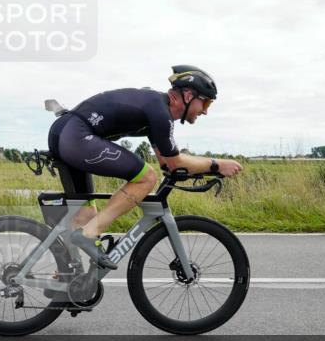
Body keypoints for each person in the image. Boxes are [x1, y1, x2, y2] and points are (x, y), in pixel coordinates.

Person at [46, 65, 243, 269]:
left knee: (85, 216)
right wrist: (216, 165)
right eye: (206, 102)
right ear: (187, 95)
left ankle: (67, 282)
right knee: (146, 178)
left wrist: (201, 169)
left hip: (66, 133)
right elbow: (175, 162)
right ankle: (87, 236)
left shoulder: (155, 110)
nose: (206, 111)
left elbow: (168, 165)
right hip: (75, 136)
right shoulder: (159, 111)